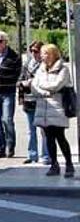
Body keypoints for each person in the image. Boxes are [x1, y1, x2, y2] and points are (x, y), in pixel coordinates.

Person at [30, 44, 74, 177]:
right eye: (42, 54)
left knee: (60, 136)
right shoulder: (40, 69)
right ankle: (54, 165)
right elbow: (33, 87)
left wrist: (42, 87)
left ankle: (69, 164)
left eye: (45, 53)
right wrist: (44, 92)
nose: (42, 56)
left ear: (52, 54)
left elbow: (56, 85)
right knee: (48, 137)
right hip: (44, 108)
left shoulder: (63, 69)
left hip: (57, 107)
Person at [17, 41, 49, 165]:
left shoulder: (46, 65)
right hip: (29, 101)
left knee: (44, 131)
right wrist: (23, 84)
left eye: (36, 51)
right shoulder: (27, 65)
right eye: (32, 51)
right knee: (31, 130)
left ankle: (46, 156)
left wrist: (34, 82)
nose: (34, 54)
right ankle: (32, 154)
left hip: (42, 102)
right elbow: (19, 80)